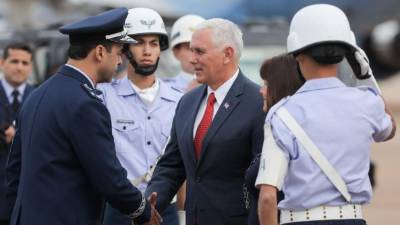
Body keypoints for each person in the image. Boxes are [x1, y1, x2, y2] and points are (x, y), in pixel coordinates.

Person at [5, 8, 161, 225]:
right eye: (118, 53)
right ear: (99, 52)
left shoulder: (38, 94)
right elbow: (108, 178)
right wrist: (142, 210)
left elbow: (14, 172)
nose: (119, 62)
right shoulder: (85, 103)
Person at [256, 4, 396, 225]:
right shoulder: (369, 102)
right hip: (352, 219)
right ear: (345, 54)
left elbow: (267, 197)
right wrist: (366, 74)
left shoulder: (281, 113)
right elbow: (389, 130)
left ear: (297, 55)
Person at [145, 18, 266, 225]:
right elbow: (173, 163)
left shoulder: (258, 102)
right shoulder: (188, 102)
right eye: (191, 51)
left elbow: (264, 181)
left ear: (228, 54)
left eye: (199, 52)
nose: (192, 59)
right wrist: (151, 203)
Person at [98, 8, 182, 225]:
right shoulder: (105, 96)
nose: (147, 51)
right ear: (125, 50)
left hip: (165, 210)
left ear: (160, 49)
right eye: (139, 42)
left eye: (153, 43)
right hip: (120, 209)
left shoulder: (180, 100)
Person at [244, 54, 304, 225]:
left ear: (281, 87)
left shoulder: (280, 129)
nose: (261, 90)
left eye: (267, 84)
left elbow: (268, 197)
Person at [0, 42, 34, 225]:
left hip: (25, 198)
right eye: (14, 61)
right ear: (2, 62)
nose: (19, 67)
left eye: (25, 63)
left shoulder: (39, 97)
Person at [162, 14, 205, 92]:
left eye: (201, 49)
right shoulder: (162, 89)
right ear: (176, 52)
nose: (196, 56)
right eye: (190, 48)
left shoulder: (222, 87)